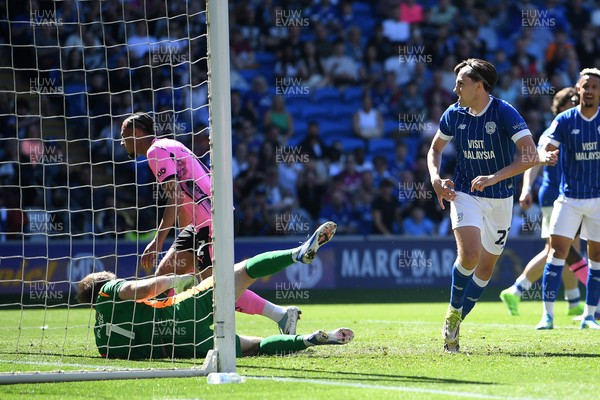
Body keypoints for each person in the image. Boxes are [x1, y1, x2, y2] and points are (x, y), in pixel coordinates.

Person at [119, 112, 301, 335]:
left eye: (124, 135)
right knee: (165, 271)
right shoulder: (170, 144)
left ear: (136, 133)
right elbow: (186, 196)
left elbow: (175, 196)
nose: (122, 141)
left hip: (213, 222)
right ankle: (164, 327)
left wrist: (157, 242)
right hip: (204, 223)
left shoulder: (154, 152)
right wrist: (183, 239)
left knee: (216, 288)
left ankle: (281, 315)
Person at [426, 58, 558, 353]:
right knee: (470, 255)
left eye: (461, 82)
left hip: (500, 199)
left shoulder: (504, 112)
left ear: (479, 86)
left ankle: (457, 321)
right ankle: (452, 312)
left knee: (486, 268)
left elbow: (528, 154)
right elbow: (435, 149)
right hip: (464, 192)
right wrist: (436, 178)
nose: (455, 88)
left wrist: (494, 177)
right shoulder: (454, 114)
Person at [76, 221, 353, 359]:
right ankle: (297, 253)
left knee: (253, 347)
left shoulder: (103, 344)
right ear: (102, 281)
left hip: (185, 347)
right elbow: (146, 288)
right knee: (242, 271)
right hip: (183, 310)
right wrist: (179, 281)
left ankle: (308, 339)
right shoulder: (108, 290)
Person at [500, 87, 588, 317]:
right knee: (560, 249)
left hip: (569, 195)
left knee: (568, 250)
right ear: (560, 107)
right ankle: (518, 290)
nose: (577, 105)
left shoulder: (578, 126)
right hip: (555, 196)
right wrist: (527, 188)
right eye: (572, 102)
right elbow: (534, 161)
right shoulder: (554, 129)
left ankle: (573, 301)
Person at [537, 68, 600, 330]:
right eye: (586, 86)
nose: (590, 91)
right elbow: (544, 142)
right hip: (569, 198)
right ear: (578, 88)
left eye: (595, 87)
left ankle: (589, 315)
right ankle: (547, 316)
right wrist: (545, 153)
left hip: (597, 200)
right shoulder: (565, 120)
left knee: (596, 257)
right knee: (556, 252)